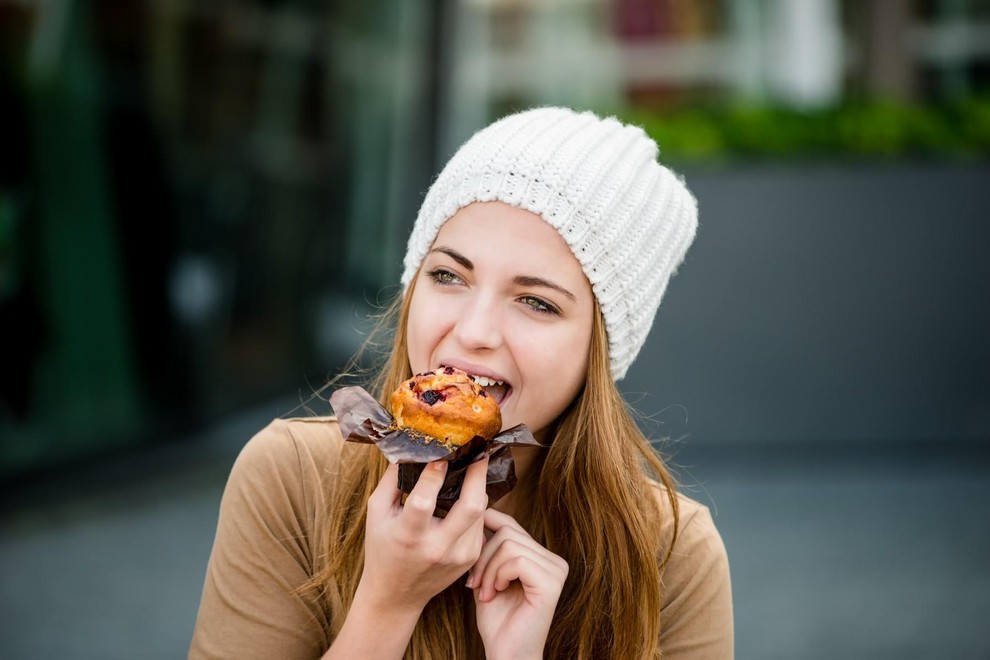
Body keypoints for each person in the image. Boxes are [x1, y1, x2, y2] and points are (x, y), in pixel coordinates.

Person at [189, 106, 733, 659]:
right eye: (449, 275)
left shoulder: (670, 553)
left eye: (536, 302)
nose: (473, 332)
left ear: (598, 350)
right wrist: (386, 604)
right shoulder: (292, 479)